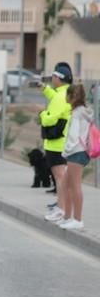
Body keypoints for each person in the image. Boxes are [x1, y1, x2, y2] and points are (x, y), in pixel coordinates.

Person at [41, 62, 74, 224]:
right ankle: (64, 210)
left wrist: (42, 114)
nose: (51, 79)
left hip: (56, 144)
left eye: (53, 77)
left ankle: (61, 211)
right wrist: (45, 90)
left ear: (58, 78)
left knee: (60, 178)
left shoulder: (60, 97)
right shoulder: (66, 93)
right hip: (64, 142)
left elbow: (50, 119)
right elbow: (56, 98)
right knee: (63, 178)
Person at [59, 83, 92, 231]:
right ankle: (67, 217)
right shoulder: (83, 112)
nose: (65, 97)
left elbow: (73, 137)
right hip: (80, 152)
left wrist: (66, 152)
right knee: (66, 184)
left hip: (76, 153)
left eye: (67, 94)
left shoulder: (77, 113)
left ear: (72, 97)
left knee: (75, 186)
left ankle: (78, 220)